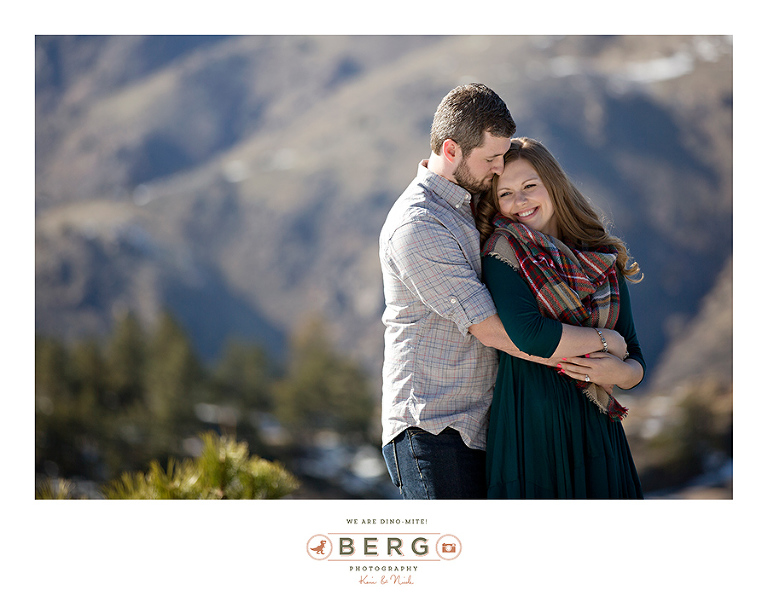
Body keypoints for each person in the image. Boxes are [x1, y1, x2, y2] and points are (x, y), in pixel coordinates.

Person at [379, 84, 627, 499]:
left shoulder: (467, 205)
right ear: (451, 149)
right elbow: (494, 331)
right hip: (434, 428)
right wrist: (606, 344)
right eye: (491, 158)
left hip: (484, 428)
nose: (499, 168)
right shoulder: (418, 226)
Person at [475, 137, 645, 499]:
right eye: (505, 194)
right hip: (533, 424)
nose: (519, 202)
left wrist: (622, 372)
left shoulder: (601, 256)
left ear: (553, 184)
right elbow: (531, 334)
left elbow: (634, 355)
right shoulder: (503, 252)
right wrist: (605, 342)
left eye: (529, 186)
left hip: (597, 427)